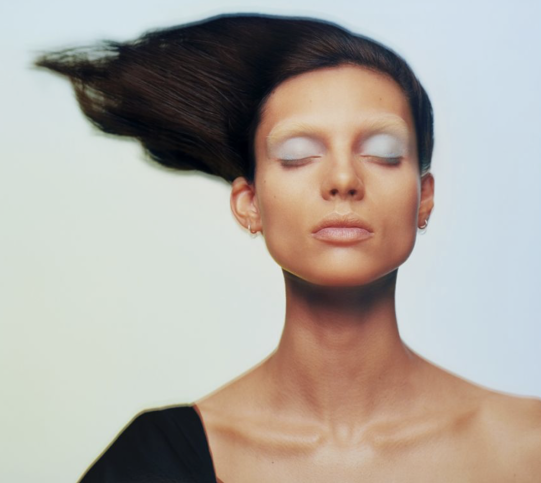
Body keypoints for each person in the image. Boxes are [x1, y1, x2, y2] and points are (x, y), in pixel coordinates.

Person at [34, 13, 541, 482]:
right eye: (298, 155)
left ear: (423, 197)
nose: (343, 179)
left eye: (383, 153)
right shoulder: (156, 461)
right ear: (249, 204)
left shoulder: (529, 445)